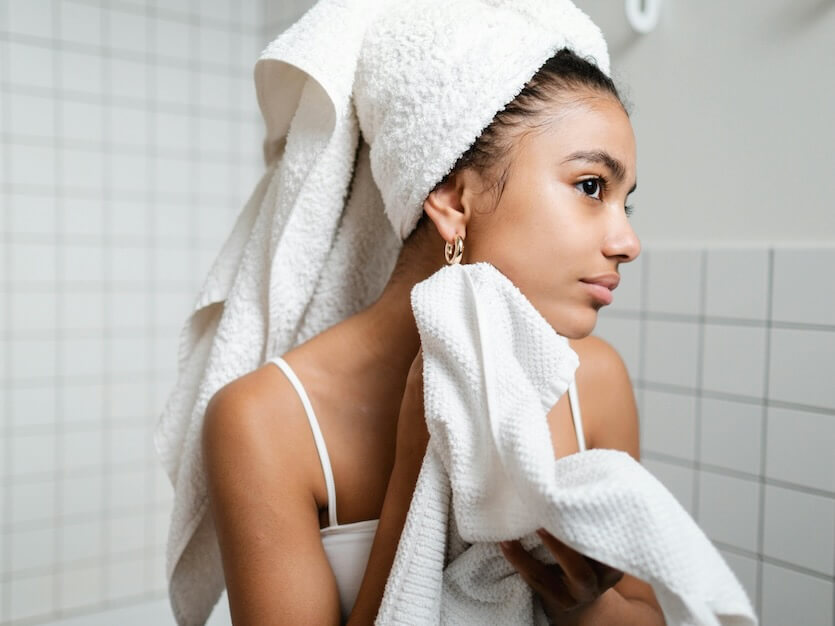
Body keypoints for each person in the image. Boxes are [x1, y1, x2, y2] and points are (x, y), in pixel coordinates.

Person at [201, 48, 666, 625]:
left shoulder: (595, 380)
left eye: (627, 202)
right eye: (591, 186)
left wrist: (580, 600)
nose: (627, 241)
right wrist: (417, 459)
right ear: (452, 201)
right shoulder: (264, 420)